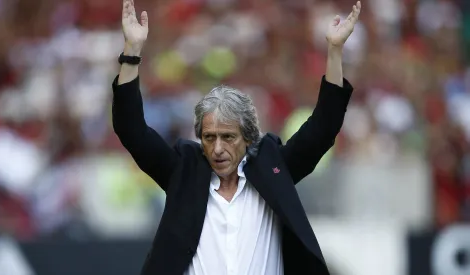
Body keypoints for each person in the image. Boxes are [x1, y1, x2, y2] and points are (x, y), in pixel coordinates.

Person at [112, 0, 361, 274]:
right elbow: (131, 129)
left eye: (228, 137)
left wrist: (335, 51)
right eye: (209, 137)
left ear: (248, 137)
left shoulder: (273, 168)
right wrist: (132, 52)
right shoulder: (184, 172)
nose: (217, 148)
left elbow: (323, 128)